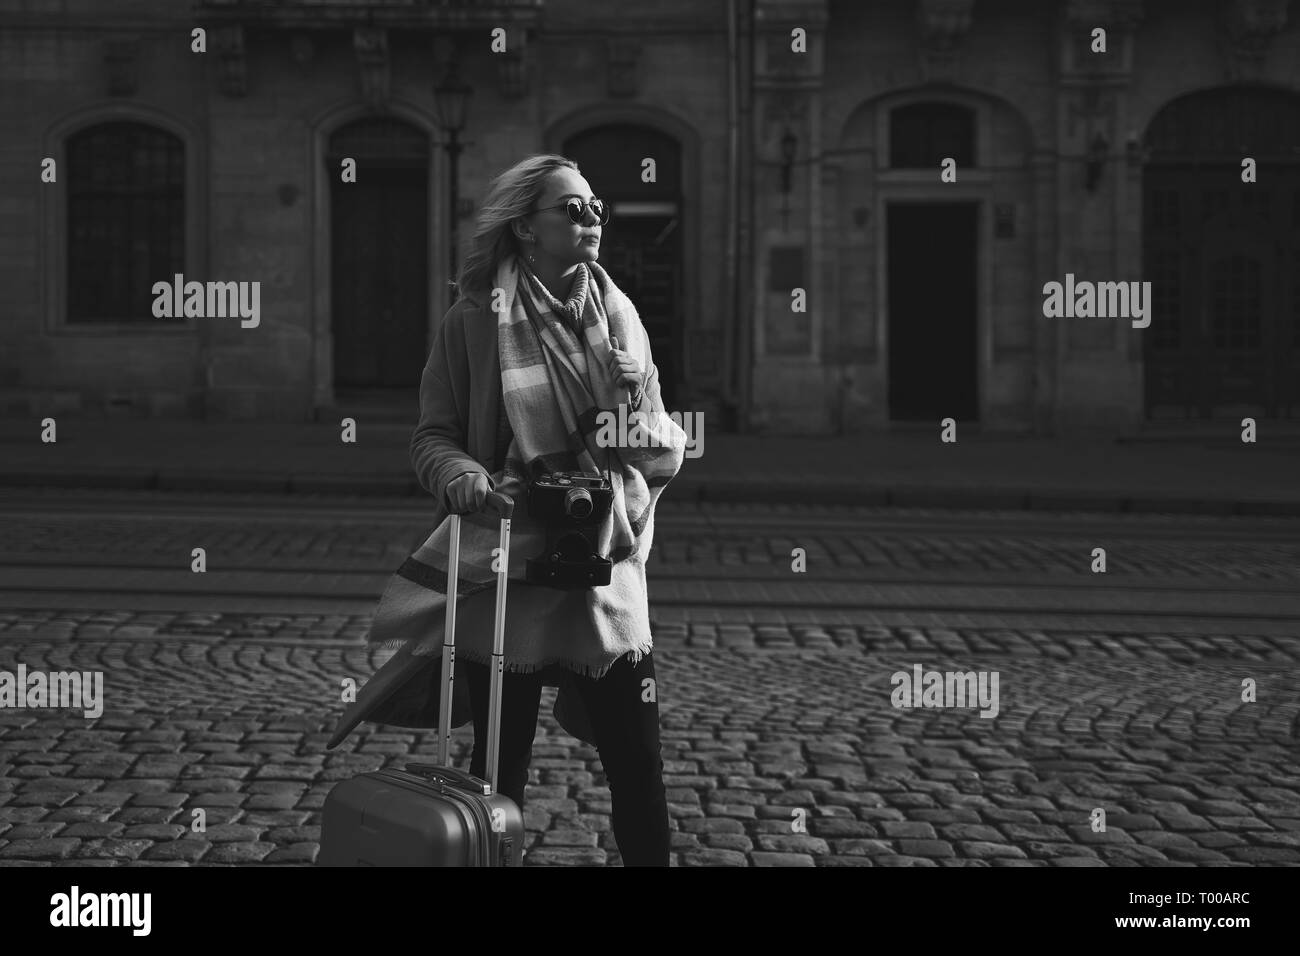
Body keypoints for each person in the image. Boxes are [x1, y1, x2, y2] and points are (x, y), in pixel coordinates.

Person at [388, 154, 686, 866]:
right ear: (525, 227)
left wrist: (637, 398)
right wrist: (461, 475)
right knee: (500, 776)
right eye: (572, 209)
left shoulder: (621, 320)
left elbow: (664, 453)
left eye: (595, 208)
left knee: (639, 763)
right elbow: (433, 436)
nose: (591, 220)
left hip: (605, 573)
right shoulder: (471, 320)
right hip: (509, 571)